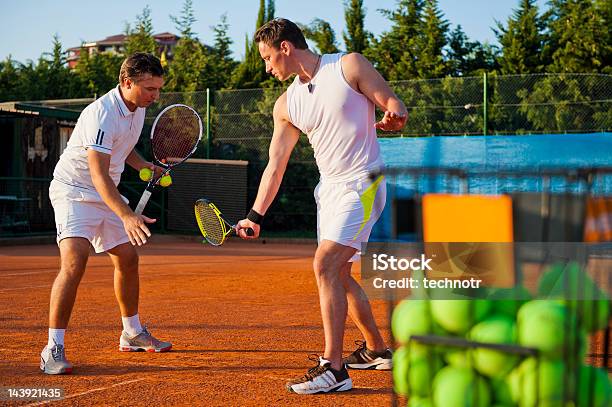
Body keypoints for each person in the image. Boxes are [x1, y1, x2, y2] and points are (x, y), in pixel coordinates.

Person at [236, 18, 407, 394]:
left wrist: (396, 114)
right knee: (341, 274)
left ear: (285, 48)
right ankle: (378, 350)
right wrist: (254, 215)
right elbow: (275, 164)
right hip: (328, 191)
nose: (267, 68)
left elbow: (391, 100)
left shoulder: (348, 66)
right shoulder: (286, 104)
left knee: (325, 263)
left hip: (364, 180)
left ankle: (334, 368)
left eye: (267, 58)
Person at [41, 53, 172, 375]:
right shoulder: (102, 113)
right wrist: (127, 215)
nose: (154, 96)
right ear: (127, 83)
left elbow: (123, 148)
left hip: (105, 193)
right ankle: (52, 347)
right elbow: (98, 174)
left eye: (158, 89)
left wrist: (143, 166)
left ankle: (132, 332)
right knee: (75, 261)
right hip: (75, 191)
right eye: (149, 89)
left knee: (127, 258)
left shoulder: (136, 109)